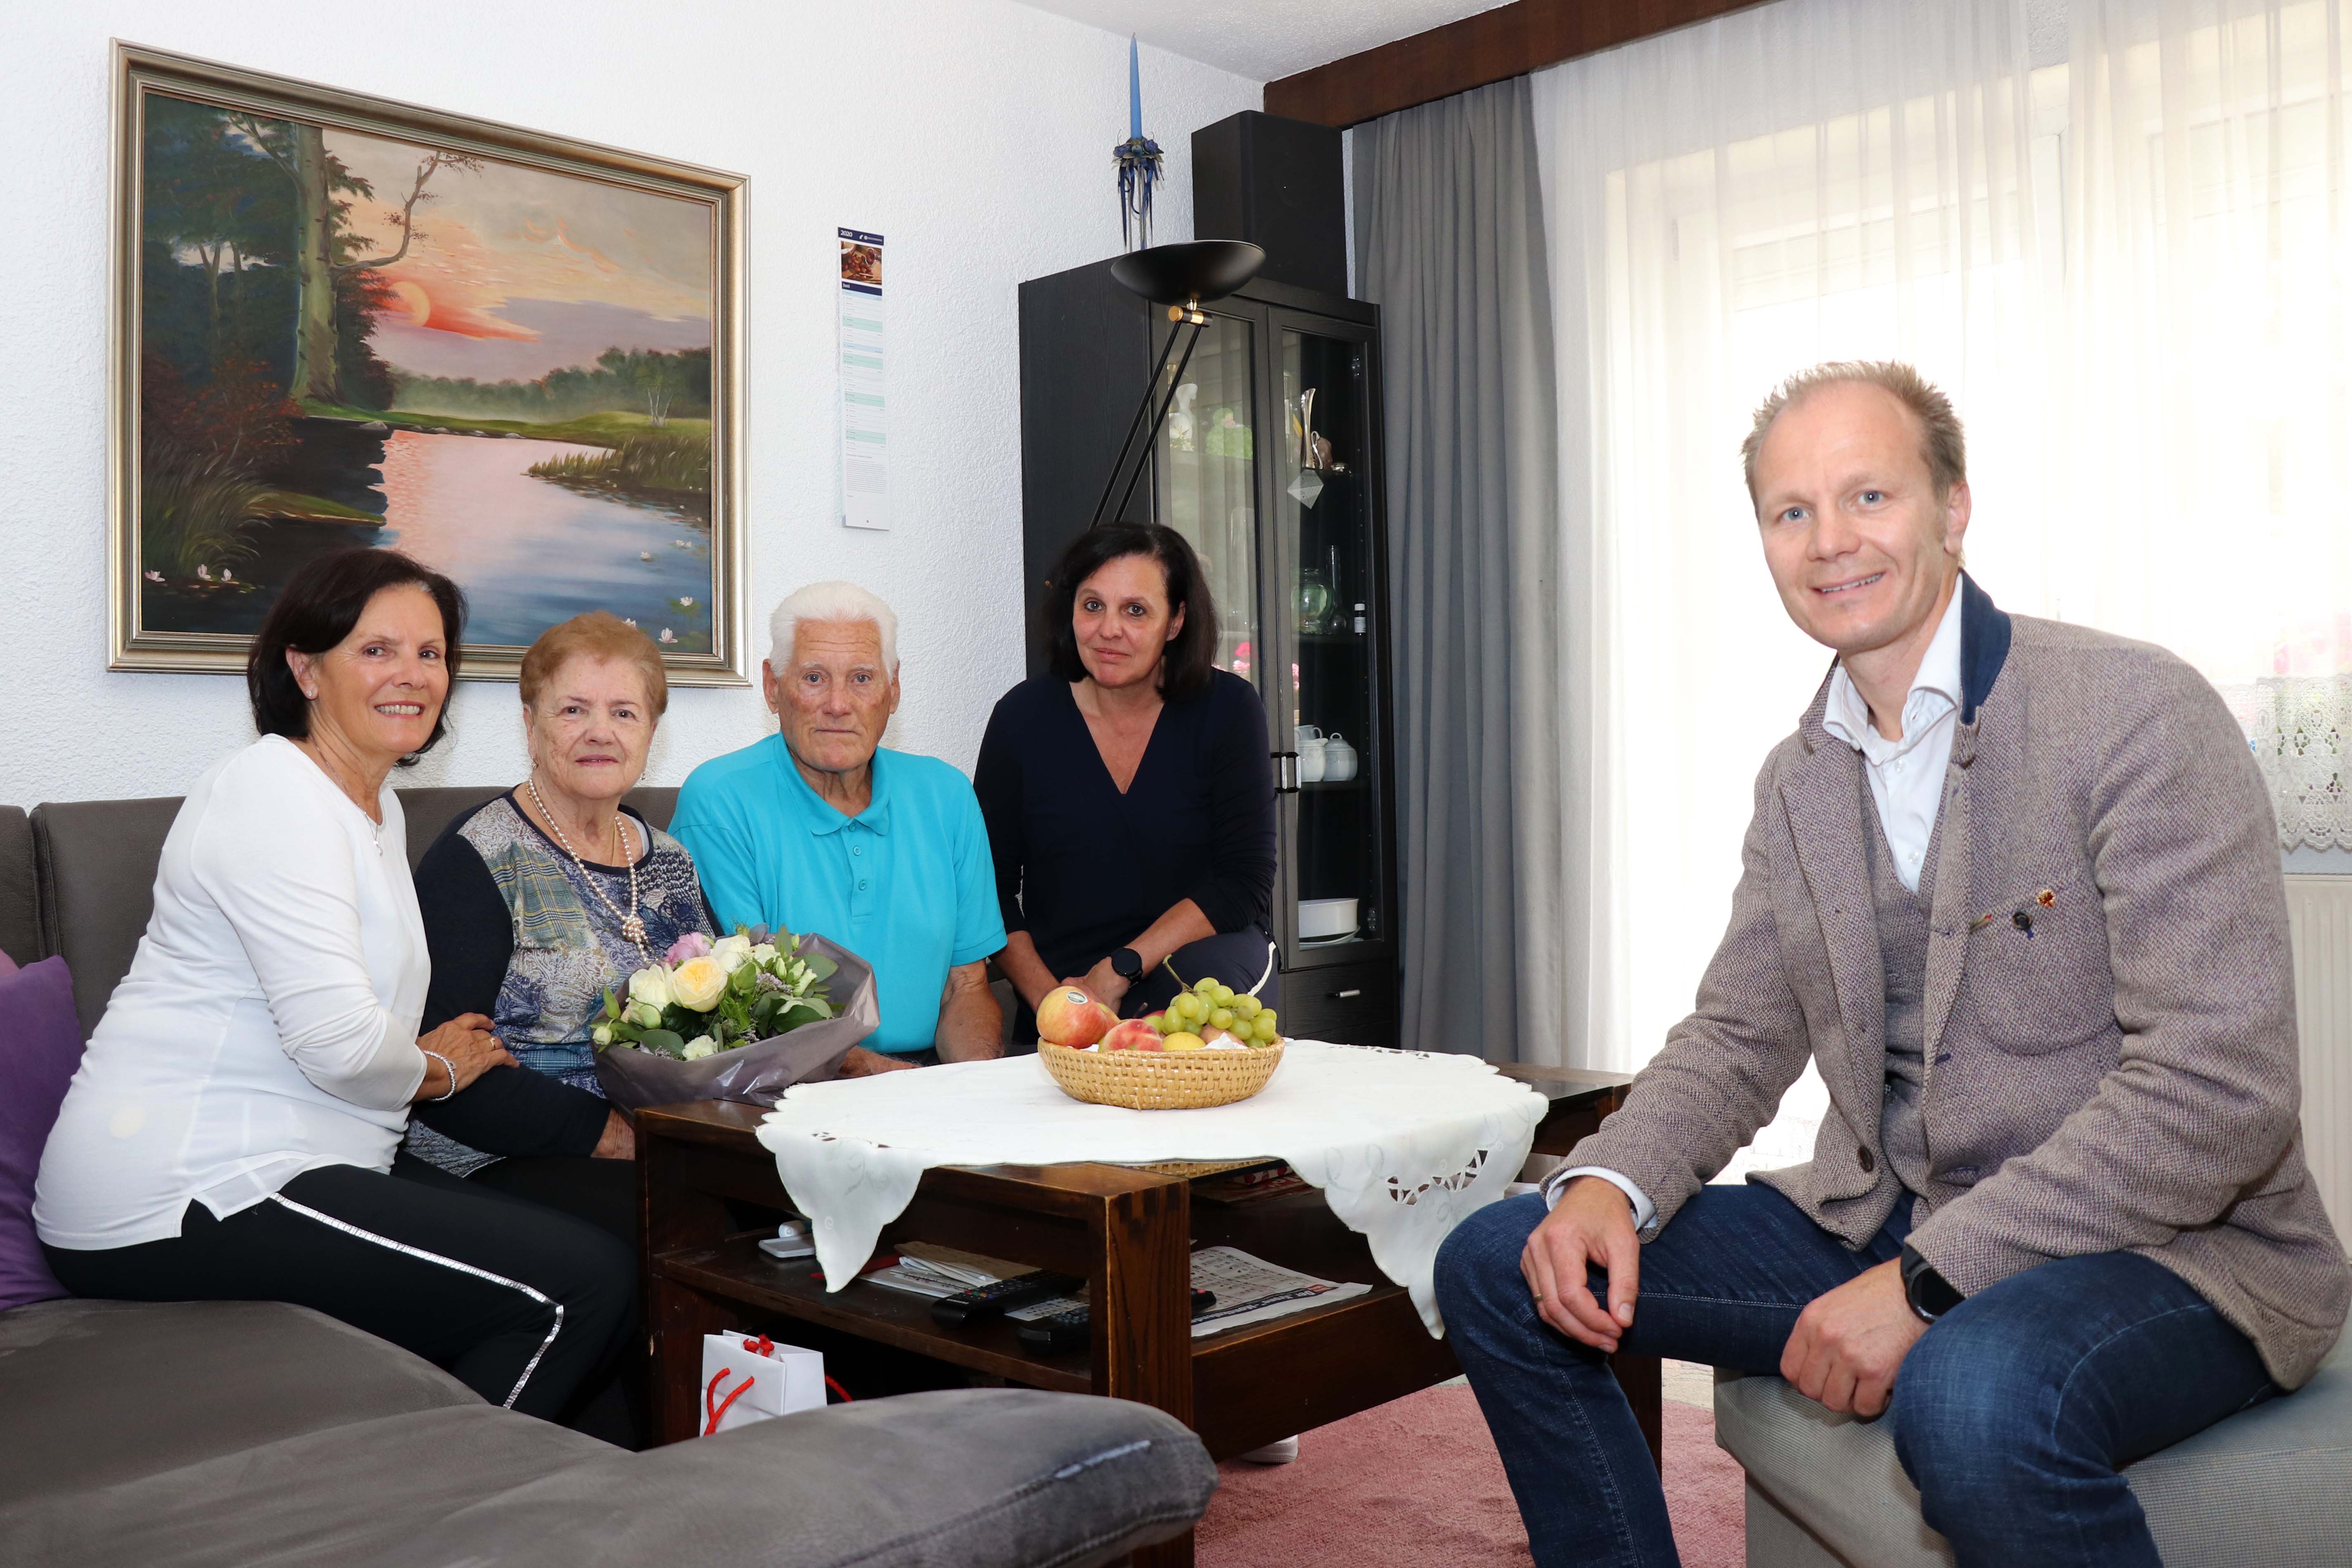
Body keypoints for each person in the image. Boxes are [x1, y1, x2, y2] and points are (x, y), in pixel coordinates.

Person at [1434, 361, 2350, 1568]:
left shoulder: (2132, 710)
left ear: (1950, 506)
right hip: (1892, 1213)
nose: (1830, 542)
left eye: (1868, 495)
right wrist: (1607, 1180)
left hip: (2173, 1249)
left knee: (1965, 1393)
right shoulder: (1796, 775)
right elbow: (1733, 1036)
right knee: (1498, 1257)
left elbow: (2217, 1091)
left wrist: (1926, 1279)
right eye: (1790, 511)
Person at [35, 549, 636, 1423]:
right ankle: (435, 1523)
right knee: (576, 1287)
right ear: (305, 667)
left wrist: (422, 1061)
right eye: (377, 650)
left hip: (301, 1161)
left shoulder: (373, 806)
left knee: (596, 1251)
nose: (412, 675)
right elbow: (340, 1043)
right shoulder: (273, 792)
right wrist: (443, 1069)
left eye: (430, 654)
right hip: (185, 1184)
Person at [400, 611, 708, 1247]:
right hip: (495, 1154)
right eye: (573, 711)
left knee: (782, 1208)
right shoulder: (477, 856)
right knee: (686, 1222)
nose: (600, 732)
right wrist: (618, 1134)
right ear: (530, 725)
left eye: (624, 712)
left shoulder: (671, 859)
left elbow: (724, 1018)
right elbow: (447, 1067)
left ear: (651, 729)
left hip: (651, 1138)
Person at [669, 581, 1004, 1067]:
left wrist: (969, 1090)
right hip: (785, 1086)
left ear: (894, 689)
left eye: (863, 678)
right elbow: (751, 1010)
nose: (838, 704)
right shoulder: (720, 799)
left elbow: (966, 985)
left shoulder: (946, 794)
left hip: (925, 1079)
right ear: (772, 686)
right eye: (813, 678)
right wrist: (905, 1087)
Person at [974, 522, 1278, 1045]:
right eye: (1093, 605)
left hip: (1197, 984)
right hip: (1064, 991)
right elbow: (988, 890)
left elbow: (1244, 881)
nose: (1109, 629)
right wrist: (1056, 1003)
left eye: (1135, 610)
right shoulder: (1021, 718)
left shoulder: (1228, 709)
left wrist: (1118, 971)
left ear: (1177, 620)